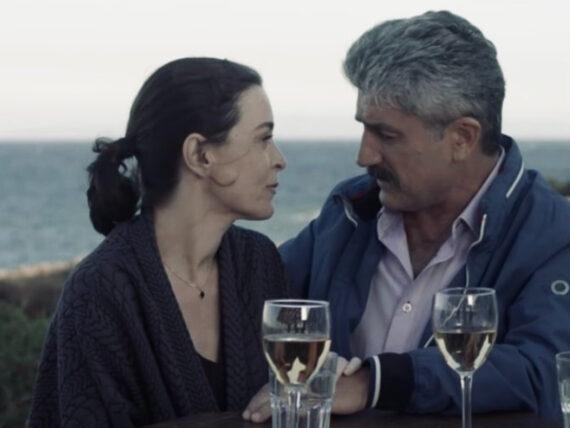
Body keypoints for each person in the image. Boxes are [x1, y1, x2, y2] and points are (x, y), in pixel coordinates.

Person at [244, 10, 570, 422]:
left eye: (386, 135)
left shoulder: (555, 236)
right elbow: (250, 298)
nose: (364, 155)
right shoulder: (350, 211)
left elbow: (546, 371)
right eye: (364, 129)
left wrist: (376, 383)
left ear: (462, 138)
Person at [28, 57, 288, 427]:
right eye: (263, 138)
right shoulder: (99, 293)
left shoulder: (258, 262)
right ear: (200, 155)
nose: (279, 160)